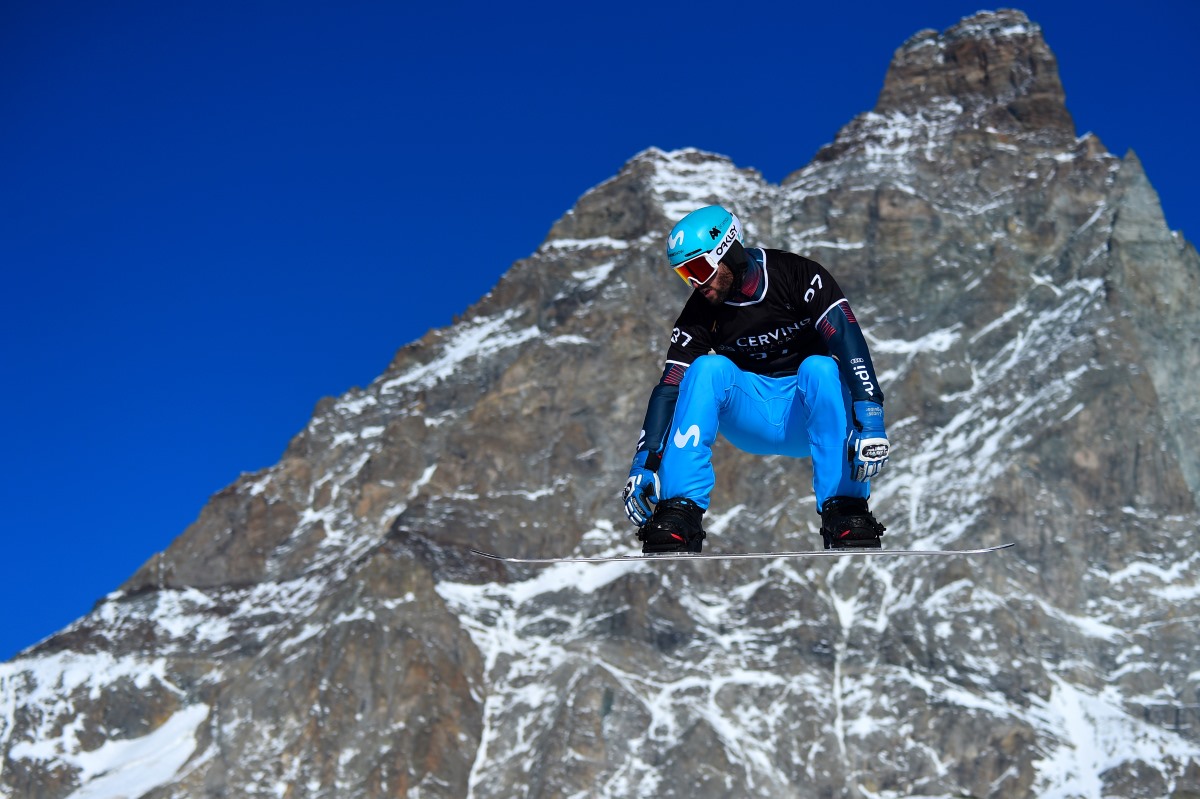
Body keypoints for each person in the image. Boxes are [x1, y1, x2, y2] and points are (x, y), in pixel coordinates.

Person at [621, 205, 890, 553]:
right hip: (752, 414)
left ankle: (846, 511)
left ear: (728, 250)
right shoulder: (699, 314)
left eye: (699, 268)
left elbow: (845, 335)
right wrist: (644, 463)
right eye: (685, 274)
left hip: (806, 417)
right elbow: (670, 386)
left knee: (820, 367)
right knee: (706, 369)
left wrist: (871, 419)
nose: (696, 283)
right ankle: (679, 514)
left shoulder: (797, 275)